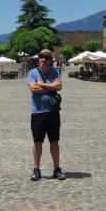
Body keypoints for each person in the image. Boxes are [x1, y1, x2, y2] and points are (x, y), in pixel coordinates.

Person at [28, 49, 64, 181]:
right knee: (37, 142)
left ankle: (57, 169)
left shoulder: (55, 72)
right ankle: (36, 169)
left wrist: (41, 84)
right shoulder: (32, 72)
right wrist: (51, 86)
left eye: (47, 58)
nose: (43, 59)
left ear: (50, 60)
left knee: (54, 141)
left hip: (53, 112)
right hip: (38, 112)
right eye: (41, 57)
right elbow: (33, 89)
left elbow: (59, 86)